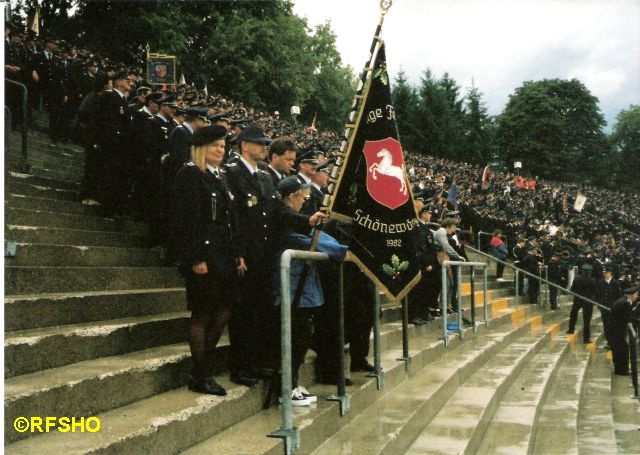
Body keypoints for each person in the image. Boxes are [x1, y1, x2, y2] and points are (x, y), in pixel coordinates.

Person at [170, 125, 237, 395]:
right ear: (201, 148)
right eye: (215, 146)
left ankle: (200, 369)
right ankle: (202, 373)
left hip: (222, 256)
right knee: (202, 313)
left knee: (223, 310)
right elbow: (185, 220)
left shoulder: (219, 177)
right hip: (203, 256)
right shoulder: (190, 174)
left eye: (222, 146)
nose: (220, 150)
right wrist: (195, 257)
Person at [272, 176, 349, 406]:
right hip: (292, 290)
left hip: (303, 291)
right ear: (291, 197)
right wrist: (340, 251)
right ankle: (288, 386)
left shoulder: (296, 220)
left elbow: (318, 236)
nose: (304, 203)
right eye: (301, 198)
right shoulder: (285, 221)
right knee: (295, 340)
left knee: (302, 338)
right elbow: (308, 239)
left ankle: (293, 383)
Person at [410, 206, 441, 324]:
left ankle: (423, 313)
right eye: (428, 213)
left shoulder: (425, 228)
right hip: (422, 264)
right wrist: (426, 263)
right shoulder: (417, 227)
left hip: (429, 264)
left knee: (426, 290)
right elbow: (418, 248)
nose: (430, 215)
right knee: (418, 291)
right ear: (422, 214)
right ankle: (415, 315)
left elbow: (430, 248)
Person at [610, 285, 639, 376]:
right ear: (631, 296)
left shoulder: (624, 301)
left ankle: (621, 369)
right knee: (621, 350)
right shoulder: (624, 303)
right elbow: (628, 318)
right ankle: (622, 371)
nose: (637, 296)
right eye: (636, 295)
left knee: (621, 350)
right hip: (617, 330)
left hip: (616, 329)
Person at [566, 263, 598, 343]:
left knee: (573, 314)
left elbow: (572, 289)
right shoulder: (593, 280)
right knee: (587, 320)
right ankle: (586, 339)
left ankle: (571, 329)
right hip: (588, 301)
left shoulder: (577, 279)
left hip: (578, 300)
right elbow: (596, 292)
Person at [598, 264, 623, 349]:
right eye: (604, 272)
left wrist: (616, 307)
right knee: (606, 326)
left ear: (610, 273)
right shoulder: (601, 282)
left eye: (606, 272)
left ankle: (613, 342)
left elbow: (619, 296)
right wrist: (600, 304)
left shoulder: (616, 283)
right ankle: (609, 342)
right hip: (603, 308)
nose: (605, 274)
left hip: (612, 308)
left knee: (612, 325)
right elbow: (599, 294)